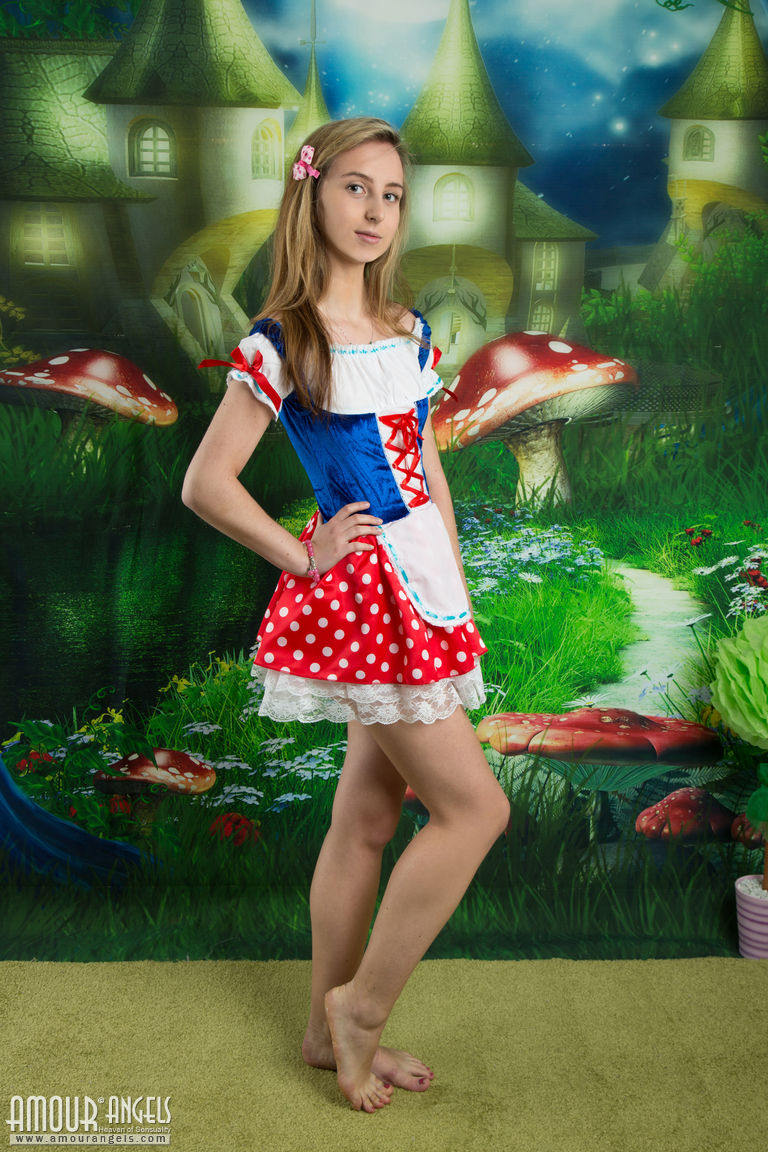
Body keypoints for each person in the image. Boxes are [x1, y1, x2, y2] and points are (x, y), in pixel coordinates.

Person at [182, 117, 510, 1113]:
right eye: (355, 187)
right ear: (312, 193)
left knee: (366, 818)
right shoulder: (283, 339)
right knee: (476, 810)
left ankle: (325, 1034)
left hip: (422, 590)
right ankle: (361, 1008)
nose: (375, 210)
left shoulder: (408, 331)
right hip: (365, 596)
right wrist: (305, 553)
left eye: (392, 195)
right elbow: (207, 483)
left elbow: (431, 475)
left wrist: (453, 586)